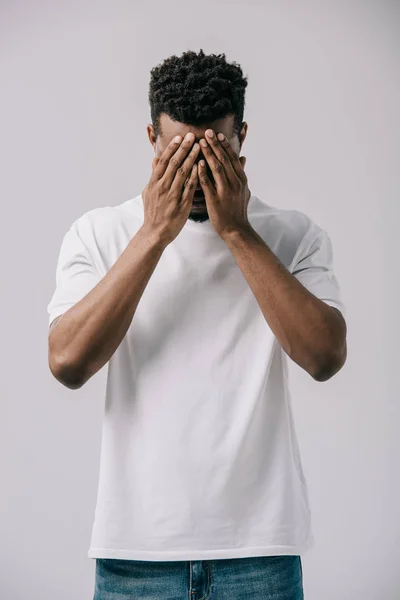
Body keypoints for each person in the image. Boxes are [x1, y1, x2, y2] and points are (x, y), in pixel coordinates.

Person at [47, 49, 347, 599]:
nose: (198, 172)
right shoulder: (98, 234)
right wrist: (154, 234)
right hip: (134, 553)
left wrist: (237, 232)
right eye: (181, 152)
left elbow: (325, 357)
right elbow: (67, 363)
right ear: (152, 140)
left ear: (242, 138)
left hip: (261, 552)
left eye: (216, 151)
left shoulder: (294, 236)